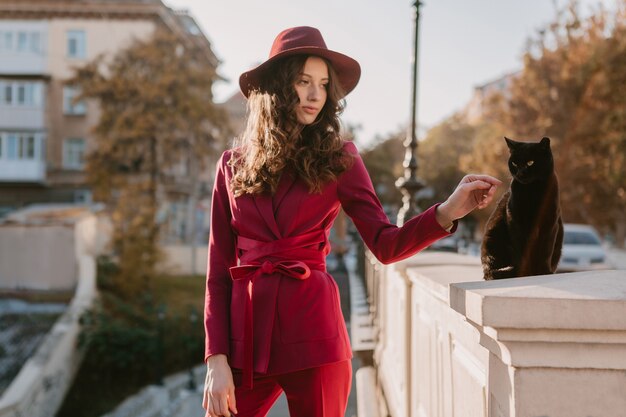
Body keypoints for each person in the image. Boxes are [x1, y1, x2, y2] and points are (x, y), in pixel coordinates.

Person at [202, 26, 501, 417]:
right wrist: (216, 359)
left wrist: (447, 212)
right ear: (277, 87)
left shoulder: (340, 158)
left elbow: (385, 243)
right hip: (248, 338)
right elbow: (218, 273)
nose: (315, 94)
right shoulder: (232, 165)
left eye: (323, 85)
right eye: (303, 81)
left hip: (315, 336)